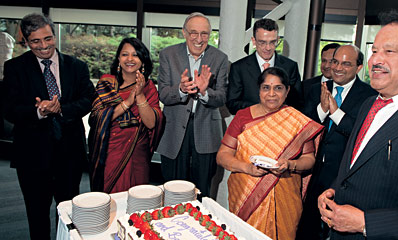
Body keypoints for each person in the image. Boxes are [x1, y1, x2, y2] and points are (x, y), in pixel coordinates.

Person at [318, 11, 398, 240]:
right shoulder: (370, 103)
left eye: (389, 51)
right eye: (374, 51)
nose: (375, 61)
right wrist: (334, 190)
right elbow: (357, 163)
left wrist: (364, 223)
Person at [2, 13, 94, 240]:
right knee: (37, 215)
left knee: (68, 214)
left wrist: (60, 109)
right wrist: (38, 112)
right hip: (32, 156)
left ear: (54, 35)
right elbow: (9, 108)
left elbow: (88, 99)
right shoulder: (14, 68)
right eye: (35, 41)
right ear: (25, 40)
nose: (43, 46)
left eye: (48, 39)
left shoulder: (77, 66)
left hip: (69, 155)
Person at [217, 67, 323, 240]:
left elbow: (309, 159)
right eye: (266, 87)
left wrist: (290, 164)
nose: (271, 94)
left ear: (287, 90)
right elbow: (222, 155)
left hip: (285, 194)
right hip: (246, 192)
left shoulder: (297, 121)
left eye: (278, 88)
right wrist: (247, 168)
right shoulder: (243, 117)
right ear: (259, 90)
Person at [297, 45, 376, 239]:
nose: (338, 68)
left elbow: (362, 135)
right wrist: (322, 110)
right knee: (307, 225)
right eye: (335, 62)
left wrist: (335, 112)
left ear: (358, 68)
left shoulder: (370, 95)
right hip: (312, 171)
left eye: (346, 63)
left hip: (343, 174)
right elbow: (303, 128)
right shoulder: (315, 89)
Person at [157, 12, 228, 197]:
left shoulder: (220, 58)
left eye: (204, 33)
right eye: (193, 33)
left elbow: (222, 97)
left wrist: (205, 92)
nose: (199, 39)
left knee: (203, 189)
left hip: (206, 130)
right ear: (184, 33)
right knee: (173, 188)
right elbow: (163, 94)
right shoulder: (168, 55)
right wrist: (180, 89)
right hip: (174, 131)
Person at [88, 38, 164, 194]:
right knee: (111, 201)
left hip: (137, 154)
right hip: (110, 153)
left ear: (142, 61)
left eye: (135, 55)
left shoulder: (149, 88)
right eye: (125, 54)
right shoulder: (106, 83)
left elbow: (151, 123)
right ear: (118, 59)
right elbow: (96, 118)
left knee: (137, 200)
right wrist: (128, 102)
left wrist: (140, 95)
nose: (130, 59)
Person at [226, 18, 302, 114]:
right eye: (262, 42)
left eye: (272, 42)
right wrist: (261, 108)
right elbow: (232, 104)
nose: (268, 47)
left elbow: (297, 103)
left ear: (278, 40)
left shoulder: (290, 66)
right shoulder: (239, 68)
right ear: (254, 41)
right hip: (250, 125)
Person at [299, 43, 340, 109]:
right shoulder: (305, 86)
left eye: (331, 61)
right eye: (324, 61)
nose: (326, 66)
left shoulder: (345, 87)